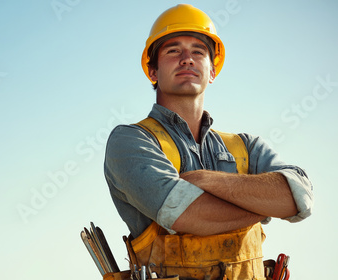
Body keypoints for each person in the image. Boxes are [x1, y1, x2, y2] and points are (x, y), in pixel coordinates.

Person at [103, 4, 313, 280]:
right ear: (152, 72)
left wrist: (204, 180)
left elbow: (299, 197)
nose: (187, 59)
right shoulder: (131, 141)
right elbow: (188, 215)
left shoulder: (246, 147)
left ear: (212, 71)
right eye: (173, 50)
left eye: (198, 51)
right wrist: (264, 203)